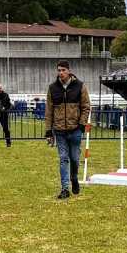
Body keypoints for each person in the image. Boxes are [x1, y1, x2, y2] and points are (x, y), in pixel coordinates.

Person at [45, 60, 91, 199]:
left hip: (75, 129)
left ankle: (74, 178)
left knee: (75, 159)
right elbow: (49, 111)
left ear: (69, 71)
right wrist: (48, 131)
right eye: (59, 70)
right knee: (63, 159)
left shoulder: (80, 86)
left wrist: (82, 125)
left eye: (63, 70)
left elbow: (86, 106)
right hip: (59, 131)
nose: (61, 73)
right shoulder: (52, 88)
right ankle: (65, 188)